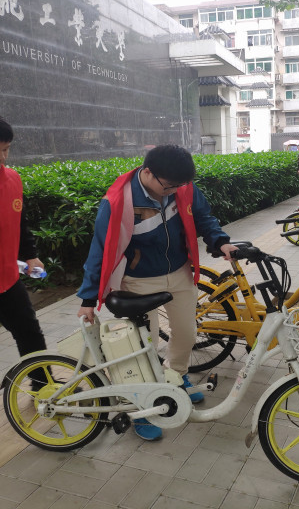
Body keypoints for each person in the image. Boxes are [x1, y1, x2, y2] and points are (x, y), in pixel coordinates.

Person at [77, 144, 237, 441]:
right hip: (138, 281)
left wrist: (220, 241)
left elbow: (204, 218)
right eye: (169, 186)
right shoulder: (118, 201)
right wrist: (88, 298)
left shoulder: (182, 187)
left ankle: (176, 376)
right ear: (148, 172)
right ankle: (143, 407)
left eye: (180, 185)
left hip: (179, 272)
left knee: (187, 333)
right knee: (144, 346)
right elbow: (100, 249)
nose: (175, 191)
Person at [0, 117, 48, 391]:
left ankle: (44, 387)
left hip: (7, 279)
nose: (3, 157)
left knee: (30, 333)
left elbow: (19, 222)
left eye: (5, 149)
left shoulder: (13, 179)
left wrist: (29, 255)